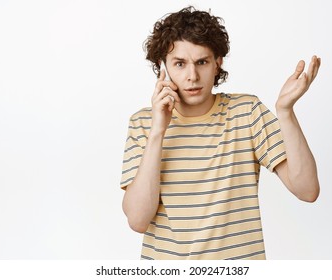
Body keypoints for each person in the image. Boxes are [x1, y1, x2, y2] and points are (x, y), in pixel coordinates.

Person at [120, 6, 320, 260]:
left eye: (201, 62)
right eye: (180, 64)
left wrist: (286, 111)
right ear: (164, 67)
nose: (192, 76)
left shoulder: (246, 112)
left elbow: (307, 190)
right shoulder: (142, 123)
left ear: (217, 63)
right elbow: (137, 220)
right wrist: (159, 129)